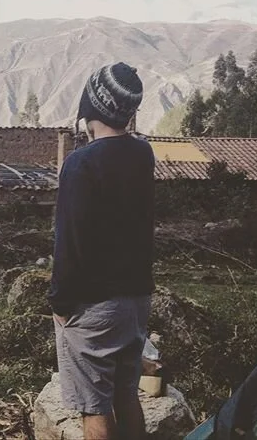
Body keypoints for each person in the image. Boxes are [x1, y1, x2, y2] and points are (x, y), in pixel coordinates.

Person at [49, 62, 155, 440]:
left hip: (94, 307)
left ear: (89, 107)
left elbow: (71, 242)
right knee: (127, 395)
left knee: (93, 406)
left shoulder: (80, 164)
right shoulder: (143, 154)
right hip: (137, 301)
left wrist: (60, 304)